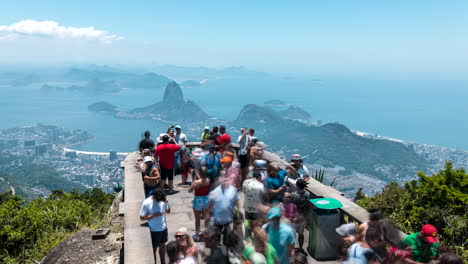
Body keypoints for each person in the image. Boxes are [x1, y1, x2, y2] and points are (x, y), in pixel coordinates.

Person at [140, 189, 170, 264]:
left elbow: (168, 211)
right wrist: (154, 215)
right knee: (154, 249)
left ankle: (163, 262)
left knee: (162, 247)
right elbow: (142, 217)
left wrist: (166, 203)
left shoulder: (162, 199)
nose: (160, 201)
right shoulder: (146, 202)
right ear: (155, 196)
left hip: (164, 228)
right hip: (154, 230)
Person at [209, 177, 238, 245]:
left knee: (227, 238)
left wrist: (236, 213)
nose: (225, 181)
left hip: (228, 219)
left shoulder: (234, 190)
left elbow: (236, 202)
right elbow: (210, 205)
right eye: (223, 180)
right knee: (216, 238)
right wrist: (209, 215)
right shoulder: (215, 191)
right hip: (217, 220)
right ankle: (217, 250)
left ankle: (226, 250)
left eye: (226, 179)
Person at [188, 170, 211, 242]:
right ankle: (207, 234)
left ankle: (197, 235)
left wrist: (194, 181)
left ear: (200, 173)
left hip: (198, 200)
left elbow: (190, 190)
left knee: (197, 219)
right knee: (206, 219)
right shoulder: (208, 180)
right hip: (206, 199)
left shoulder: (196, 182)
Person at [290, 179, 310, 252]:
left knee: (292, 234)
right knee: (301, 234)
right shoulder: (307, 194)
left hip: (294, 217)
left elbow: (291, 205)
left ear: (297, 186)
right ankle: (301, 248)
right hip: (303, 217)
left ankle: (292, 248)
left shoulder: (294, 195)